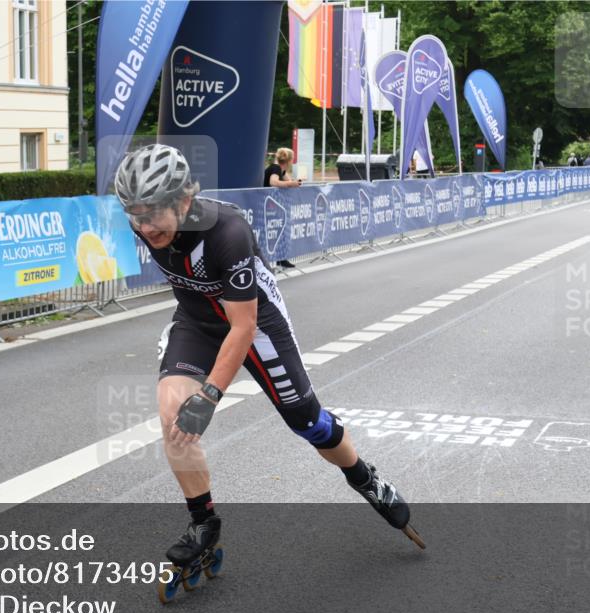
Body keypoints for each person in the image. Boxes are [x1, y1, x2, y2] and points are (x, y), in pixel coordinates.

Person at [113, 144, 421, 573]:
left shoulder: (226, 231)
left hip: (255, 324)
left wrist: (210, 396)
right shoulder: (146, 224)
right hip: (197, 321)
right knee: (173, 417)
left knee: (307, 421)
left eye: (153, 214)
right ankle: (204, 524)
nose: (145, 227)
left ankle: (363, 476)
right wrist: (192, 403)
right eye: (136, 215)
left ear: (184, 199)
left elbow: (242, 327)